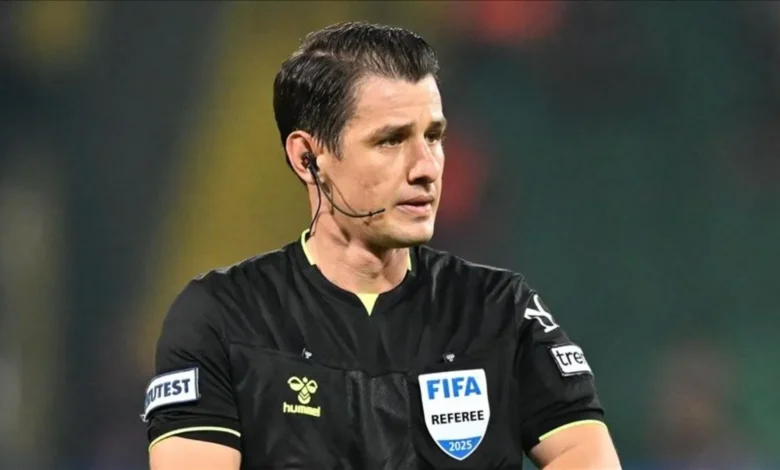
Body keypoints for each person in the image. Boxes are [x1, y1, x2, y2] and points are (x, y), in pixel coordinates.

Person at [142, 21, 621, 470]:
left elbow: (585, 452)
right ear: (308, 158)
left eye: (434, 137)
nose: (426, 167)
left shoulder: (499, 309)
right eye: (391, 141)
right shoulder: (221, 317)